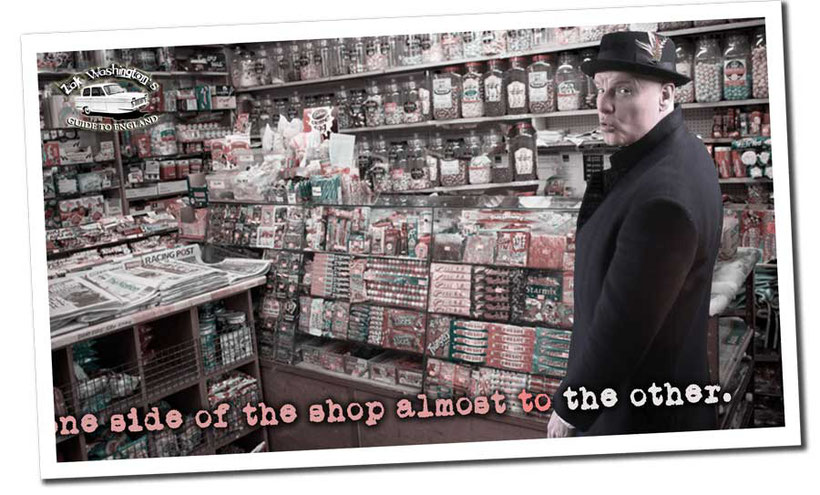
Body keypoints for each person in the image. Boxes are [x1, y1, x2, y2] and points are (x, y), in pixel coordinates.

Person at [547, 31, 723, 437]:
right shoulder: (686, 150)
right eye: (600, 89)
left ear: (665, 96)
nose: (604, 105)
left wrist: (573, 408)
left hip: (638, 415)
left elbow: (622, 328)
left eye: (624, 90)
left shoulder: (662, 201)